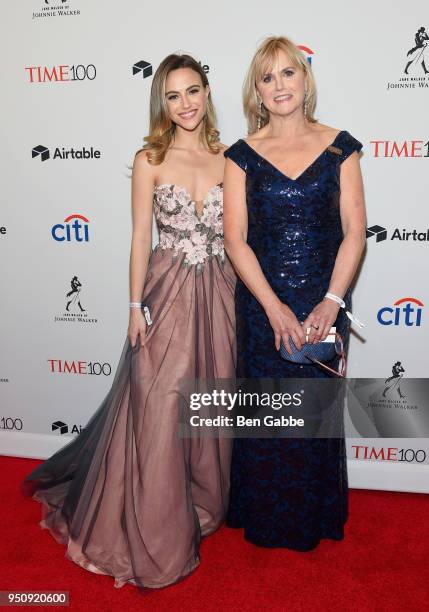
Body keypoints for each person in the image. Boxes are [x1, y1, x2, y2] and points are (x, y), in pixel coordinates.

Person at [21, 53, 236, 589]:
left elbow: (240, 237)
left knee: (208, 403)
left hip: (222, 294)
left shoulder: (231, 157)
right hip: (164, 296)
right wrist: (134, 306)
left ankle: (201, 506)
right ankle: (156, 534)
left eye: (192, 91)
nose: (185, 103)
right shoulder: (150, 159)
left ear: (207, 93)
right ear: (161, 101)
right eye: (172, 95)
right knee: (159, 408)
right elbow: (142, 237)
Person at [223, 36, 366, 550]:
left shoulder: (339, 146)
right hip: (264, 303)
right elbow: (234, 239)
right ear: (256, 92)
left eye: (289, 73)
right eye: (268, 77)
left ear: (305, 81)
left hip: (324, 302)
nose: (279, 85)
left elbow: (355, 231)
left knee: (314, 416)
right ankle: (265, 518)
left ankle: (313, 517)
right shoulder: (241, 155)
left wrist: (332, 301)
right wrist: (272, 305)